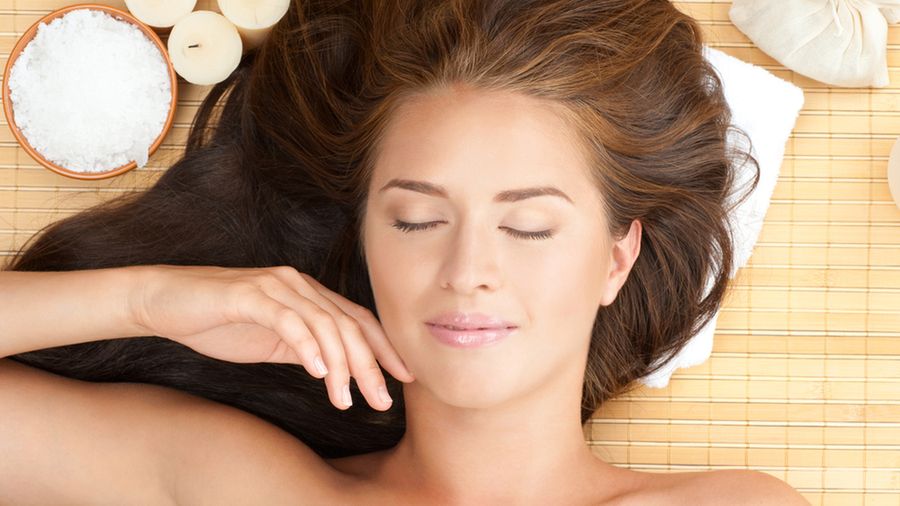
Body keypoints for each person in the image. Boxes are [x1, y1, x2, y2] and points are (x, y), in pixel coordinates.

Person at [0, 0, 809, 503]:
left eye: (529, 226)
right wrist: (152, 300)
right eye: (417, 221)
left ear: (615, 260)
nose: (467, 272)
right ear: (364, 238)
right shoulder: (241, 484)